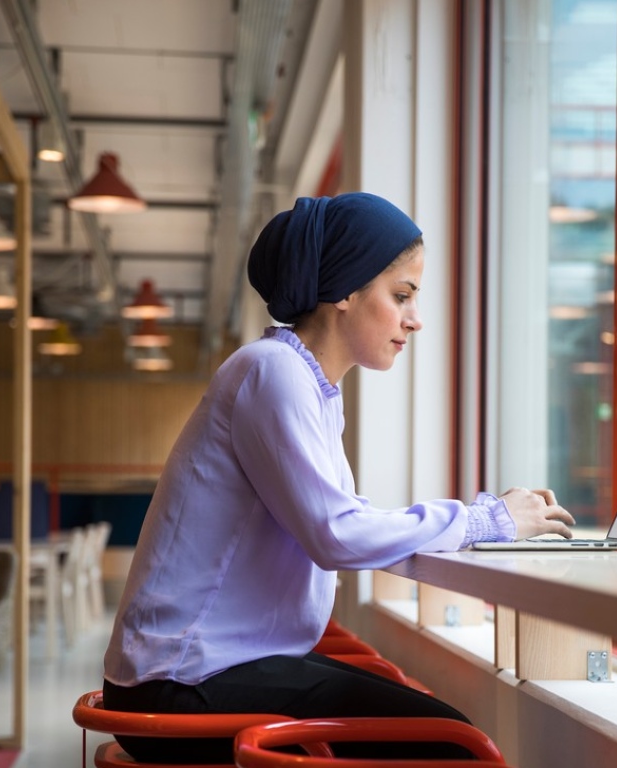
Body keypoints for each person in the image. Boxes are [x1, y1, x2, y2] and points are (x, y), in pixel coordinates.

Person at [102, 192, 575, 762]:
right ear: (346, 291)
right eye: (401, 295)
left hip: (208, 668)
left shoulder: (312, 387)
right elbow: (337, 535)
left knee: (438, 728)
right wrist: (486, 519)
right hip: (181, 685)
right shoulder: (272, 372)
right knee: (452, 743)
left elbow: (344, 525)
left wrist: (484, 524)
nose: (415, 319)